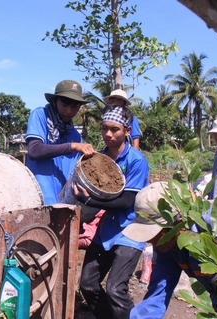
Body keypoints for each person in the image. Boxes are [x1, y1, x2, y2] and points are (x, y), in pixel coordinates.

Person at [125, 181, 217, 319]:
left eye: (155, 234)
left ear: (180, 222)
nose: (150, 241)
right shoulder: (166, 245)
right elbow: (156, 297)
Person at [73, 104, 149, 319]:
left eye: (114, 129)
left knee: (116, 289)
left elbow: (127, 201)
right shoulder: (100, 158)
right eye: (104, 128)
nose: (107, 133)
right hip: (107, 228)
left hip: (131, 229)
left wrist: (88, 200)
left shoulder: (136, 160)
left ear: (127, 131)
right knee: (88, 284)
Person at [25, 79, 95, 205]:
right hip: (38, 196)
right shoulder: (40, 116)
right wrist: (71, 146)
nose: (69, 111)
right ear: (54, 101)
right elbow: (34, 151)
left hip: (63, 200)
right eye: (64, 104)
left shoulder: (74, 135)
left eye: (75, 106)